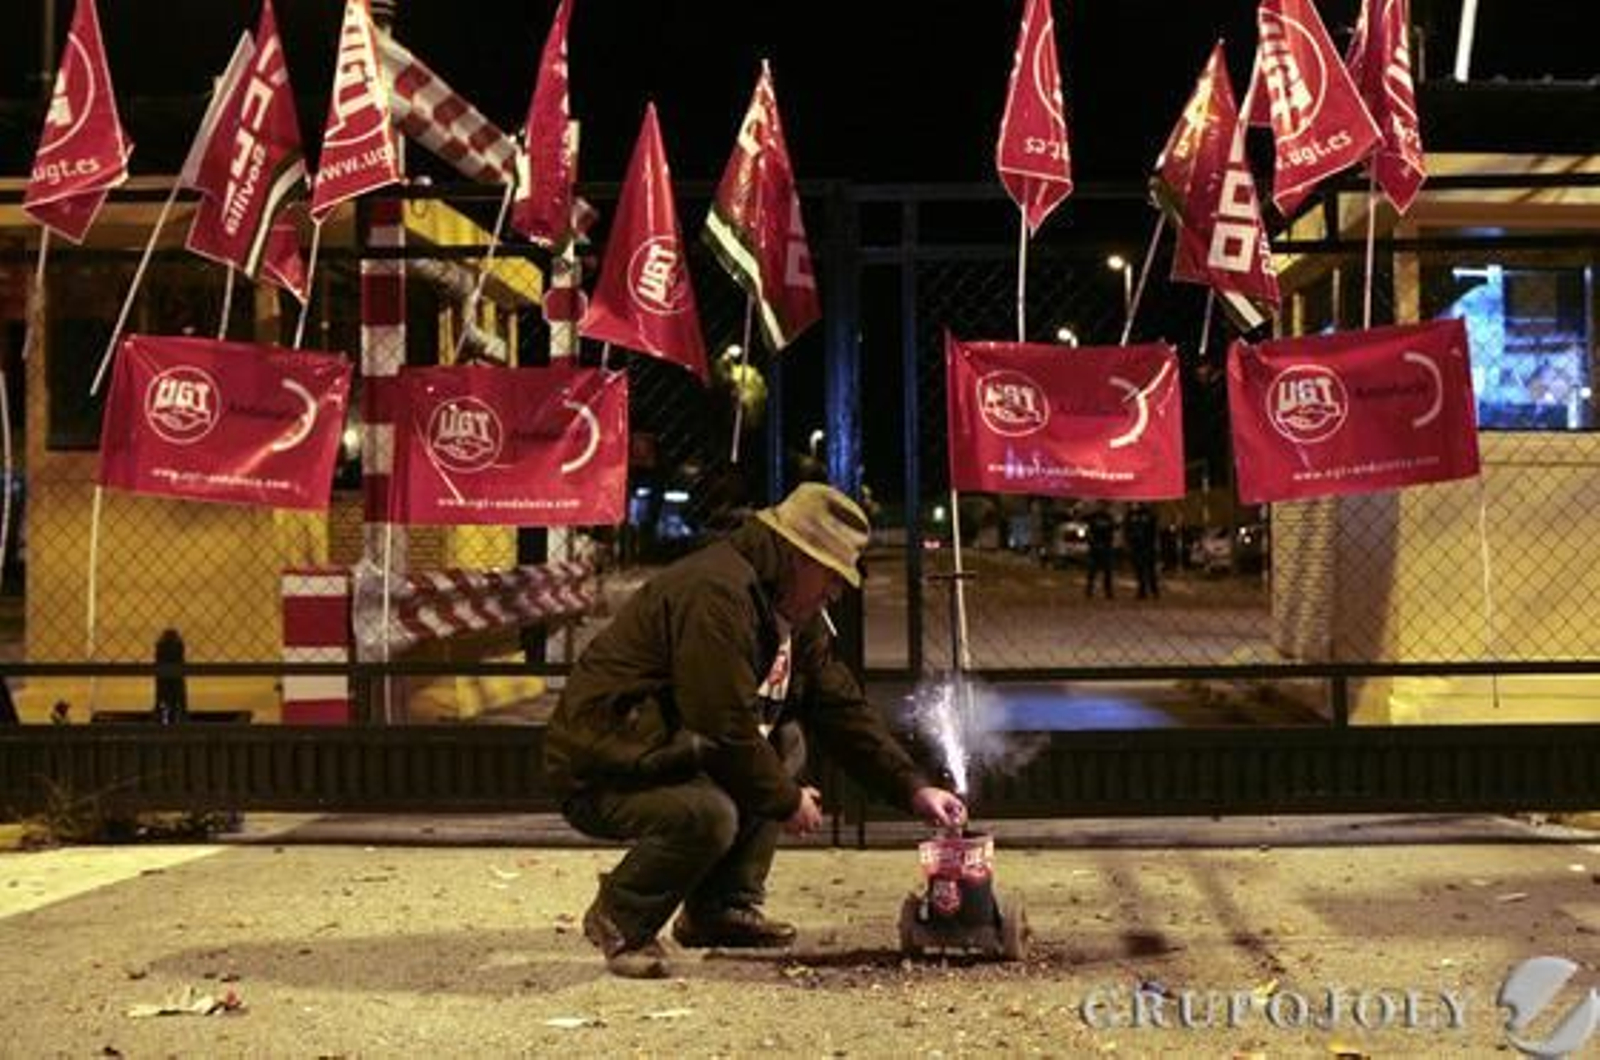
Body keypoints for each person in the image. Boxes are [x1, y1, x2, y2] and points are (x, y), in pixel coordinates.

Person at [545, 483, 967, 979]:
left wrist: (913, 788)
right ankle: (622, 918)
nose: (836, 591)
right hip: (607, 767)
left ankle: (719, 909)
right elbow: (722, 723)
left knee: (786, 742)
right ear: (796, 556)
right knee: (709, 815)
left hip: (671, 751)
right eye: (831, 576)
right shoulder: (716, 596)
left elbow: (840, 709)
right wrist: (786, 799)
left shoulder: (789, 608)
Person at [1125, 502, 1160, 599]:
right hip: (1136, 547)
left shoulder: (1150, 515)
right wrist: (1129, 543)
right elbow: (1127, 530)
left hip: (1148, 546)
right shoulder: (1131, 515)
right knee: (1139, 570)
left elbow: (1154, 530)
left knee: (1150, 570)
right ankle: (1142, 590)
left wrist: (1154, 545)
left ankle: (1154, 590)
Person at [1084, 503, 1116, 599]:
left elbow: (1111, 532)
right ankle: (1089, 590)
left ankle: (1108, 591)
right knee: (1092, 571)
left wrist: (1108, 543)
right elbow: (1088, 531)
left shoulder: (1109, 518)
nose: (1102, 507)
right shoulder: (1093, 517)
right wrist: (1092, 542)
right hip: (1095, 547)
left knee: (1107, 571)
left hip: (1106, 547)